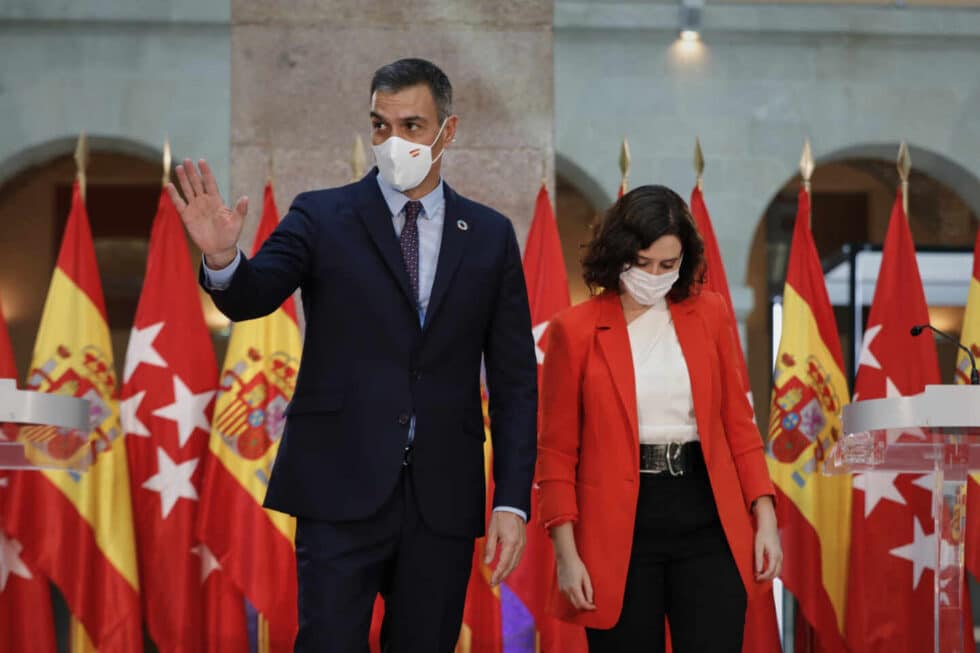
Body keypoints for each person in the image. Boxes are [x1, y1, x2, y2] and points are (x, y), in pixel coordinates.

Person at [167, 58, 538, 652]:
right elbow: (253, 294)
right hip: (338, 486)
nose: (394, 142)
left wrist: (513, 501)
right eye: (380, 126)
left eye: (413, 126)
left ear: (449, 130)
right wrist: (221, 260)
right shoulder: (322, 215)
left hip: (441, 497)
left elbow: (516, 379)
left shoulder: (489, 234)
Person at [535, 185, 782, 652]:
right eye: (642, 262)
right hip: (617, 532)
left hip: (708, 516)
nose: (653, 275)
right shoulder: (576, 329)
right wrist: (566, 555)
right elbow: (556, 452)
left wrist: (764, 518)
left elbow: (739, 426)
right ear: (618, 253)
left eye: (667, 266)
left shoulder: (710, 314)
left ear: (684, 262)